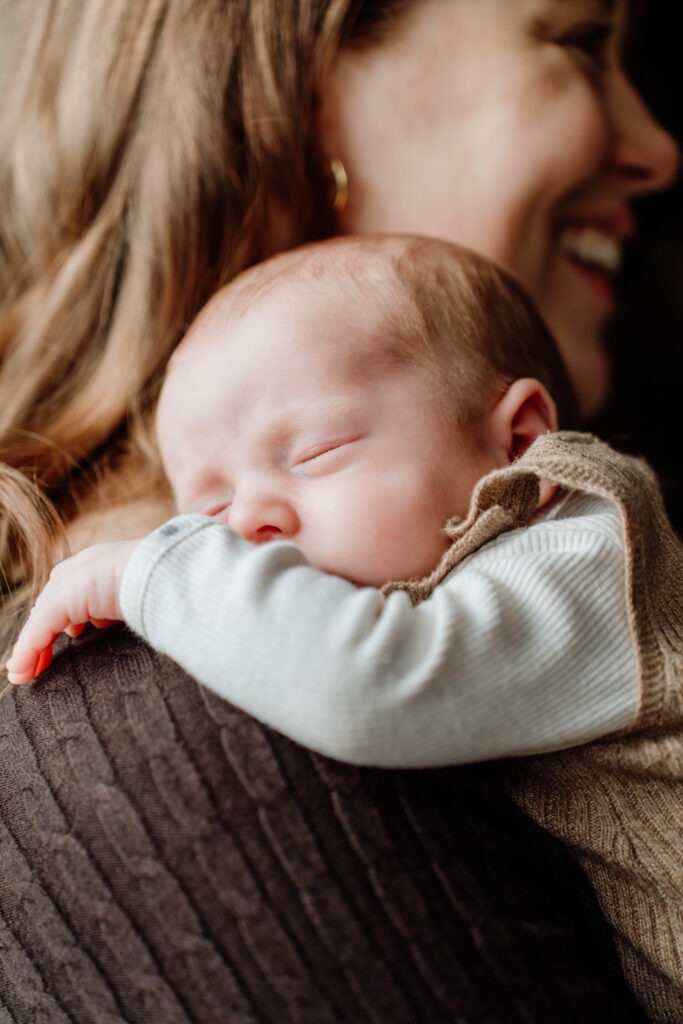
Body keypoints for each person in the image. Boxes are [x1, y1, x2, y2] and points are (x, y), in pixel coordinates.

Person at [0, 0, 678, 1019]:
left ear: (520, 441)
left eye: (312, 452)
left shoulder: (581, 531)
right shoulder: (171, 714)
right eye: (577, 44)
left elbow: (381, 676)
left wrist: (158, 569)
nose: (659, 149)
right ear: (289, 106)